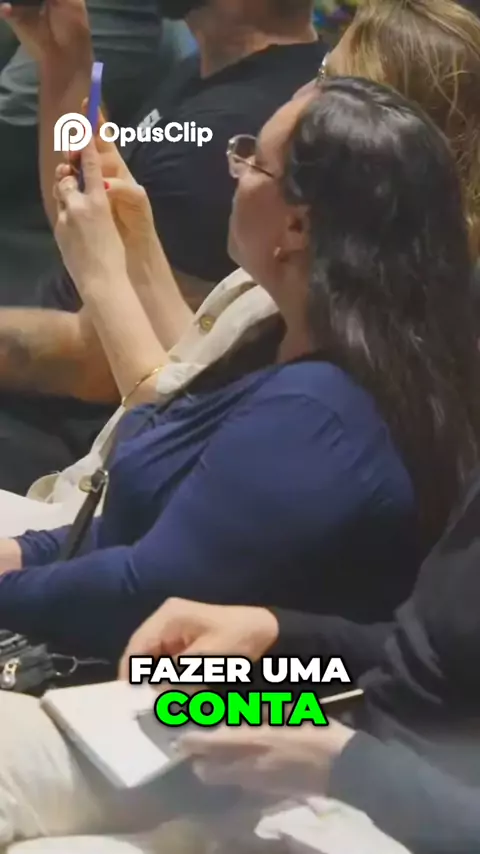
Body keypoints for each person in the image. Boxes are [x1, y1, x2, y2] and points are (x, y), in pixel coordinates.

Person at [0, 76, 474, 660]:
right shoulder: (282, 330)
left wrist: (101, 275)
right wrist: (22, 554)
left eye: (253, 160)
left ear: (297, 227)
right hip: (122, 621)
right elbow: (147, 518)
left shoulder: (320, 408)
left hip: (237, 696)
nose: (236, 169)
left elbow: (139, 594)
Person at [0, 0, 324, 494]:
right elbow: (85, 214)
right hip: (62, 330)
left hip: (84, 433)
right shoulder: (219, 70)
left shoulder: (229, 129)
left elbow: (97, 365)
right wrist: (64, 61)